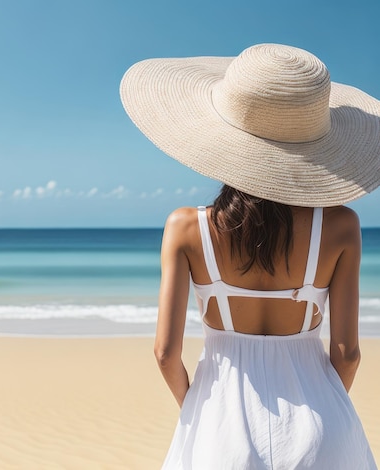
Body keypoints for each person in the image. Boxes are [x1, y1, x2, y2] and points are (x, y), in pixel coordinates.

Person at [120, 43, 380, 469]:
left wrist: (199, 412)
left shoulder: (186, 227)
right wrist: (324, 408)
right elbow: (347, 352)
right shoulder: (340, 226)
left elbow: (165, 353)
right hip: (321, 427)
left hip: (218, 425)